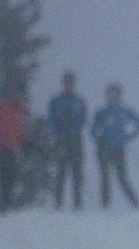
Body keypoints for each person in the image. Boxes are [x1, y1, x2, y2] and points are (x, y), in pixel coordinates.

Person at [91, 83, 139, 209]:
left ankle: (136, 204)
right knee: (105, 178)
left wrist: (129, 136)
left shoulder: (124, 111)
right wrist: (99, 138)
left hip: (119, 149)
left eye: (115, 95)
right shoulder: (102, 112)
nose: (112, 98)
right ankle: (105, 205)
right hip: (104, 149)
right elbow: (93, 130)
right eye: (110, 95)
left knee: (122, 178)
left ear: (119, 96)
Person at [48, 71, 87, 210]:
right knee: (61, 171)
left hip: (75, 139)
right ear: (62, 84)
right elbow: (50, 120)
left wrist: (73, 122)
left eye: (70, 83)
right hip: (61, 139)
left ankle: (78, 203)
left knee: (77, 171)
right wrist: (58, 127)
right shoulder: (56, 101)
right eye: (66, 83)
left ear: (73, 84)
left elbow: (83, 119)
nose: (68, 85)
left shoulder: (79, 101)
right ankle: (58, 202)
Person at [0, 89, 26, 211]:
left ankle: (8, 202)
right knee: (3, 176)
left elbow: (20, 130)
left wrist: (22, 142)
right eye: (16, 96)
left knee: (12, 175)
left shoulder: (21, 111)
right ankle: (0, 203)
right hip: (1, 148)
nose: (18, 98)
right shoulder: (3, 108)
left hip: (13, 148)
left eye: (19, 96)